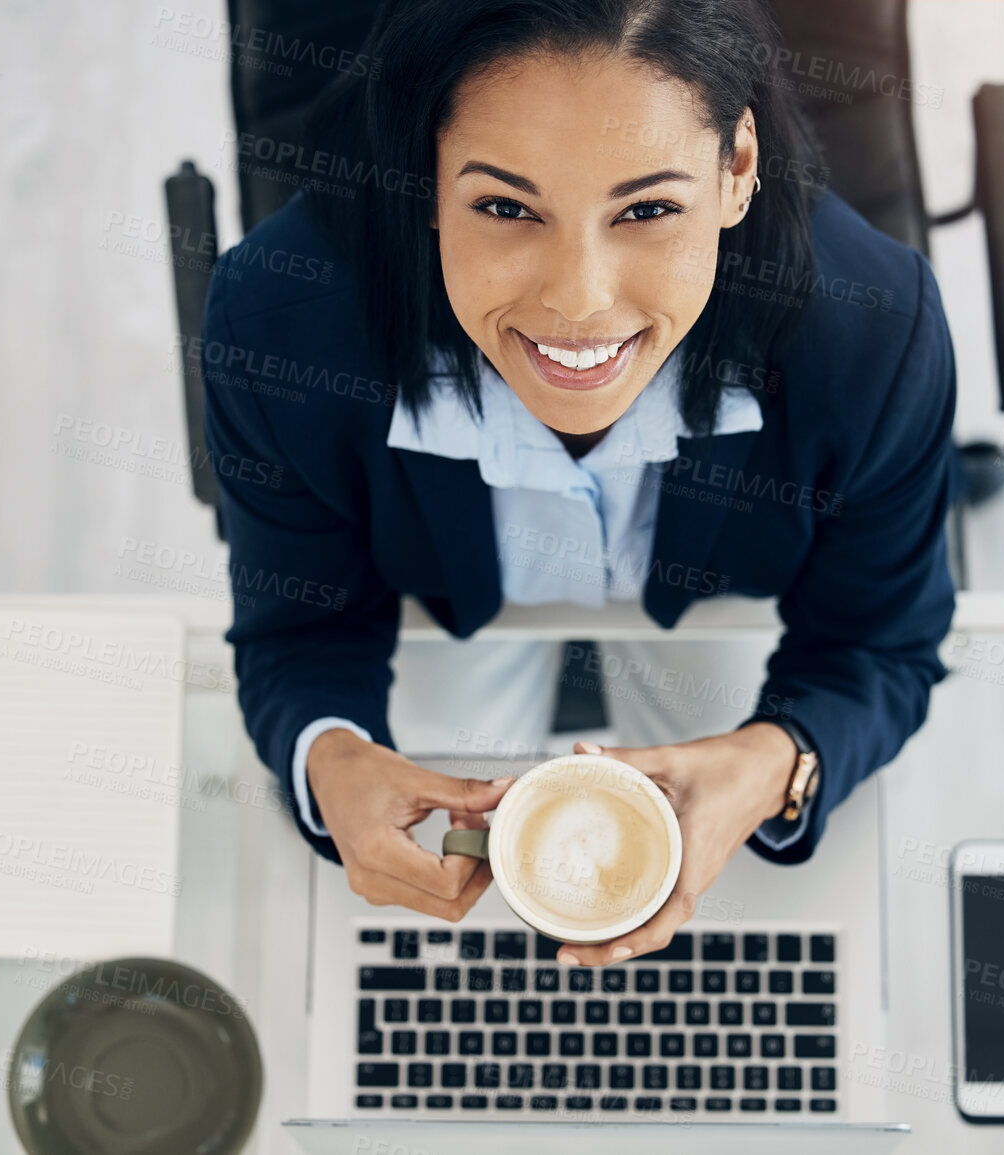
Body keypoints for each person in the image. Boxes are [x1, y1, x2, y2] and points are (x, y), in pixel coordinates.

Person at [202, 0, 958, 967]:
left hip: (709, 599)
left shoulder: (874, 329)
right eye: (506, 207)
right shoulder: (277, 324)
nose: (578, 303)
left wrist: (777, 757)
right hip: (448, 601)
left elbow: (879, 643)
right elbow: (300, 630)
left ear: (735, 172)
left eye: (646, 210)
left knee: (728, 836)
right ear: (424, 176)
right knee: (447, 777)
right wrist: (328, 752)